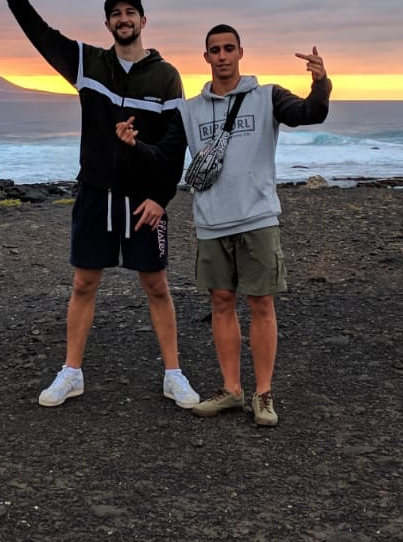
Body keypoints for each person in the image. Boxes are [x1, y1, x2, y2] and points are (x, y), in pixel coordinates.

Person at [0, 0, 199, 410]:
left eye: (130, 12)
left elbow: (175, 144)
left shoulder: (166, 76)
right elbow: (41, 35)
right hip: (96, 194)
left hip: (143, 201)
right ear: (108, 24)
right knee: (83, 283)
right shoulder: (88, 64)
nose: (123, 19)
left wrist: (162, 198)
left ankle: (174, 375)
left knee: (156, 286)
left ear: (143, 20)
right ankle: (71, 372)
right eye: (115, 13)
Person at [117, 23, 331, 428]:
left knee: (261, 304)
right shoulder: (190, 110)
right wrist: (134, 146)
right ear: (206, 57)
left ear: (240, 53)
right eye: (214, 50)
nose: (222, 56)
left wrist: (320, 83)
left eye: (228, 48)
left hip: (257, 219)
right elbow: (165, 156)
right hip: (212, 223)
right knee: (220, 303)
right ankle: (232, 390)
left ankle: (263, 394)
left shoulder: (267, 96)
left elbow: (310, 112)